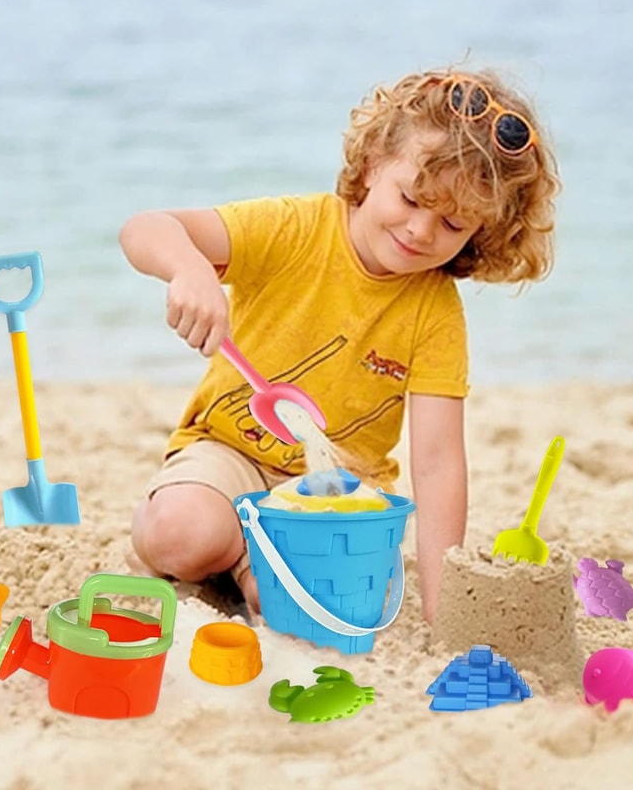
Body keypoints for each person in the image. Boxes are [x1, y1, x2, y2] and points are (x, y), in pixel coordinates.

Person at [119, 67, 560, 624]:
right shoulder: (296, 229)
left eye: (452, 224)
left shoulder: (436, 312)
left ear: (482, 231)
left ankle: (249, 562)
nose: (421, 231)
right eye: (410, 198)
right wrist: (191, 270)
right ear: (373, 163)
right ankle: (219, 544)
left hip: (335, 490)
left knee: (322, 602)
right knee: (182, 533)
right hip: (230, 452)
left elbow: (437, 462)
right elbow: (145, 228)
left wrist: (443, 610)